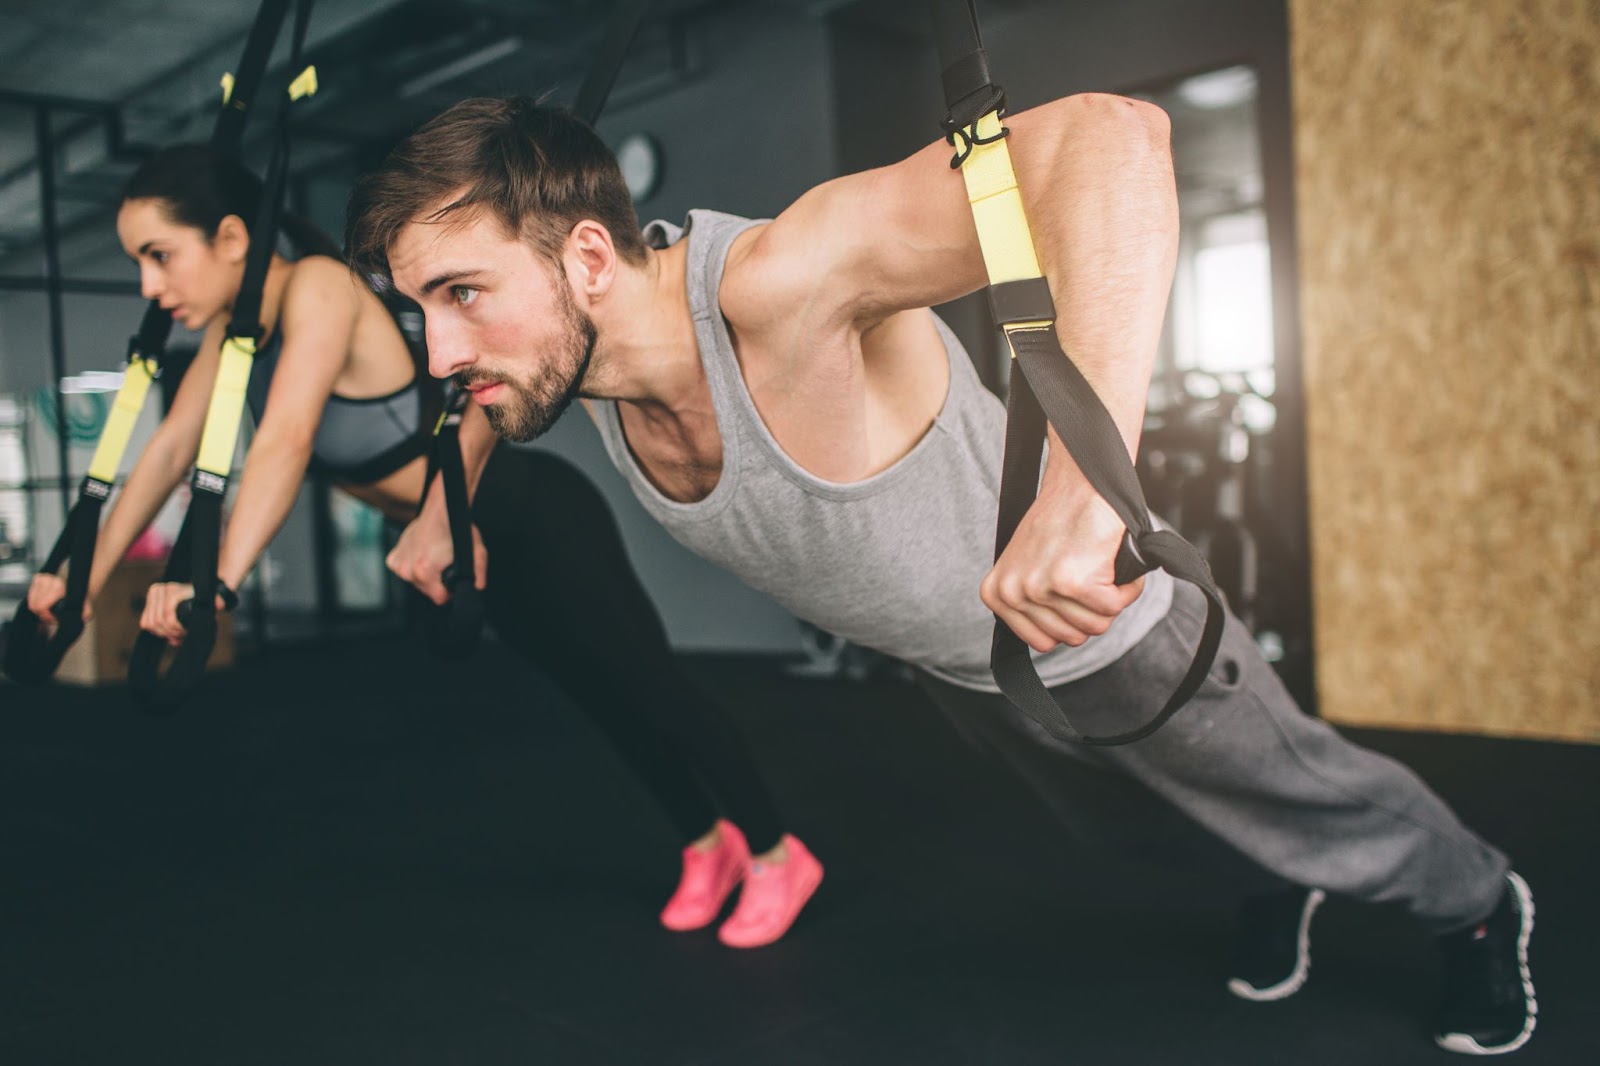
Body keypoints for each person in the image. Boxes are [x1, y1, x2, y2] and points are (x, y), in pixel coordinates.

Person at [349, 95, 1537, 1055]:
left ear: (589, 258)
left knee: (1314, 797)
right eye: (419, 309)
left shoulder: (786, 281)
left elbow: (1113, 140)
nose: (440, 353)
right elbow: (485, 391)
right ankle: (1282, 875)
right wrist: (448, 504)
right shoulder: (570, 358)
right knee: (1150, 835)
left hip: (1113, 631)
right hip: (962, 672)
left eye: (462, 295)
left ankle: (1479, 902)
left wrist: (1088, 484)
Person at [25, 143, 823, 949]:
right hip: (459, 546)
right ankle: (705, 844)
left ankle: (773, 851)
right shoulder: (235, 343)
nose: (149, 289)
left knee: (650, 686)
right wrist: (80, 578)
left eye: (159, 257)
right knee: (597, 698)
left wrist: (216, 584)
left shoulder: (319, 290)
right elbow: (164, 454)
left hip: (526, 514)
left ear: (231, 239)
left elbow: (288, 440)